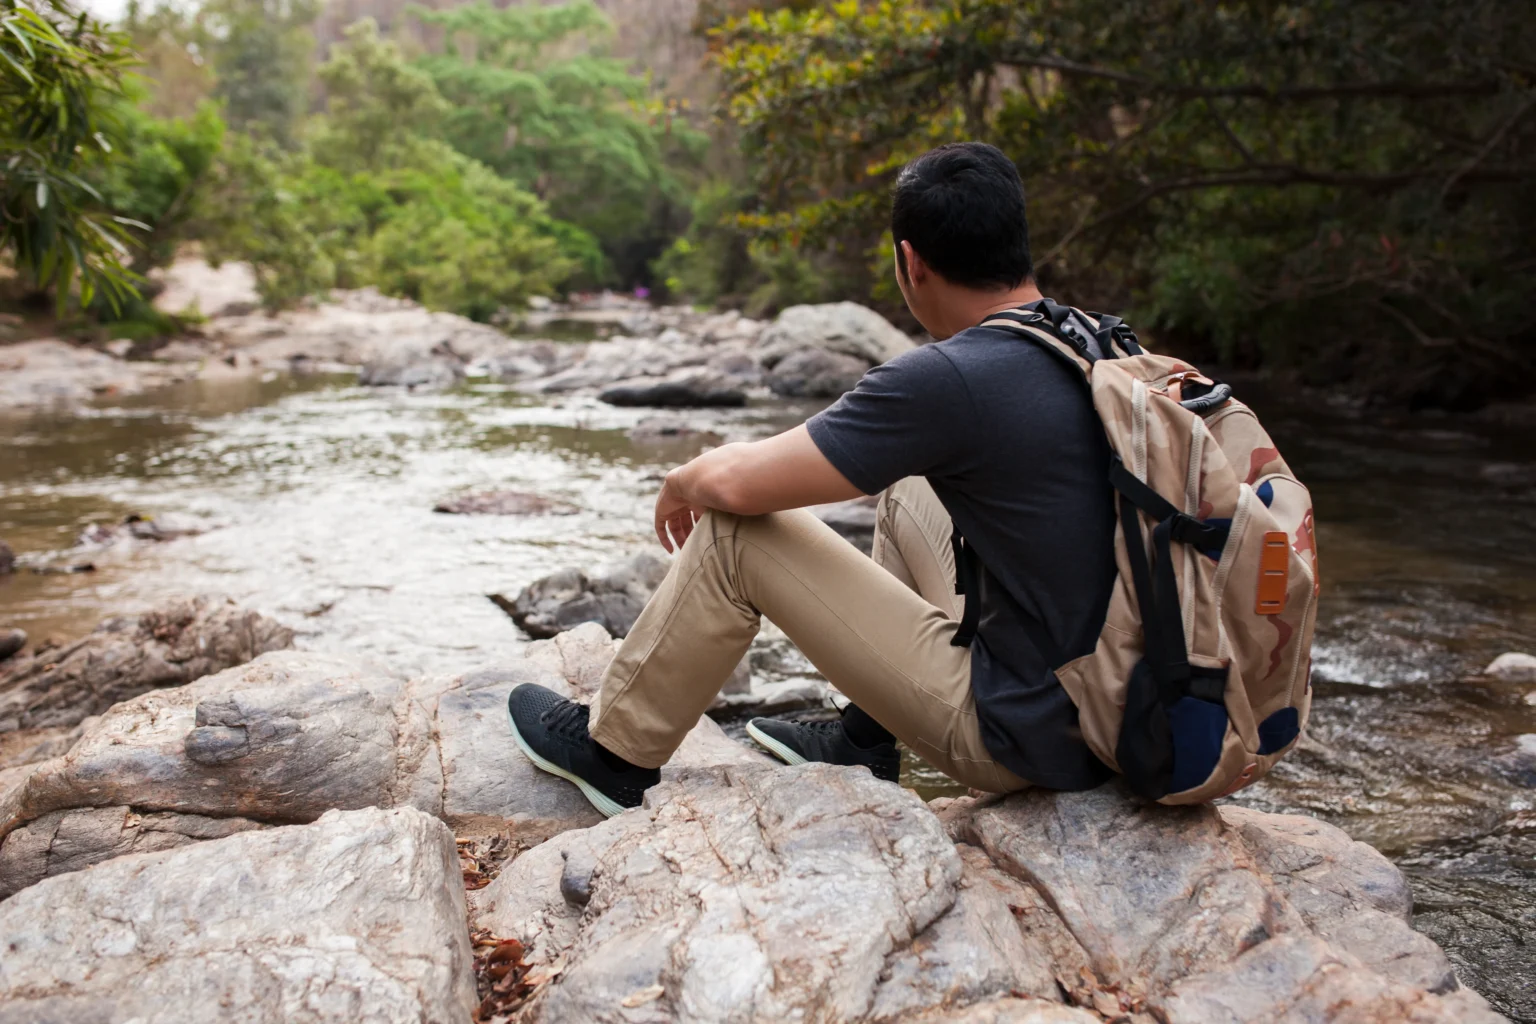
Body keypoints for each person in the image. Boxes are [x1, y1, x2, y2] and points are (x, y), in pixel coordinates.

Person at [506, 141, 1116, 816]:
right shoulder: (1104, 346)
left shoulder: (950, 376)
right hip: (1123, 705)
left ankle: (614, 752)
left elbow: (740, 486)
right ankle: (866, 735)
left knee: (737, 534)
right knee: (912, 490)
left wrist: (684, 475)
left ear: (910, 262)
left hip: (1028, 739)